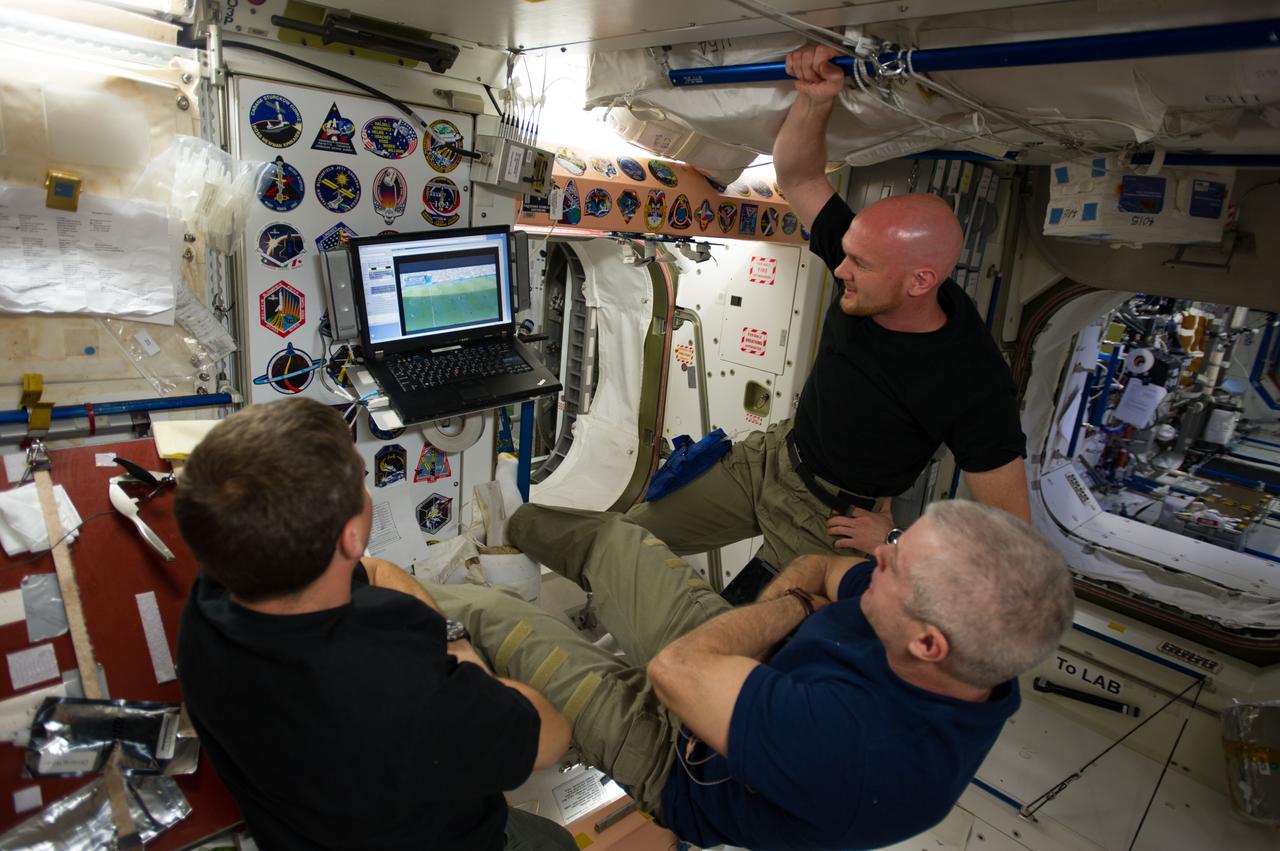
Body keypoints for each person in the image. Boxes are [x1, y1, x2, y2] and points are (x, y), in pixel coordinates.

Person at [433, 498, 1074, 850]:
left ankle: (378, 603)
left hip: (679, 760)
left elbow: (674, 672)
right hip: (740, 672)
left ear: (928, 643)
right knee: (614, 540)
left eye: (893, 565)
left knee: (489, 616)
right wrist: (773, 625)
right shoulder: (948, 639)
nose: (877, 551)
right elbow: (820, 568)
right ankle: (505, 525)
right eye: (898, 540)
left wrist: (786, 614)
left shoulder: (862, 755)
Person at [628, 43, 1029, 567]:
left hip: (835, 522)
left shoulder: (973, 380)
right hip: (774, 457)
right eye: (847, 256)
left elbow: (1012, 536)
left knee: (735, 646)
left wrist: (894, 543)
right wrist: (815, 101)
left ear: (920, 281)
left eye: (860, 265)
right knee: (627, 544)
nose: (840, 271)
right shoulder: (863, 256)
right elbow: (799, 178)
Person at [174, 398, 576, 851]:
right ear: (349, 536)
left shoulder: (210, 603)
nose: (367, 493)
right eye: (363, 483)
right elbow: (551, 736)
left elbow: (378, 569)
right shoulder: (405, 698)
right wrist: (461, 653)